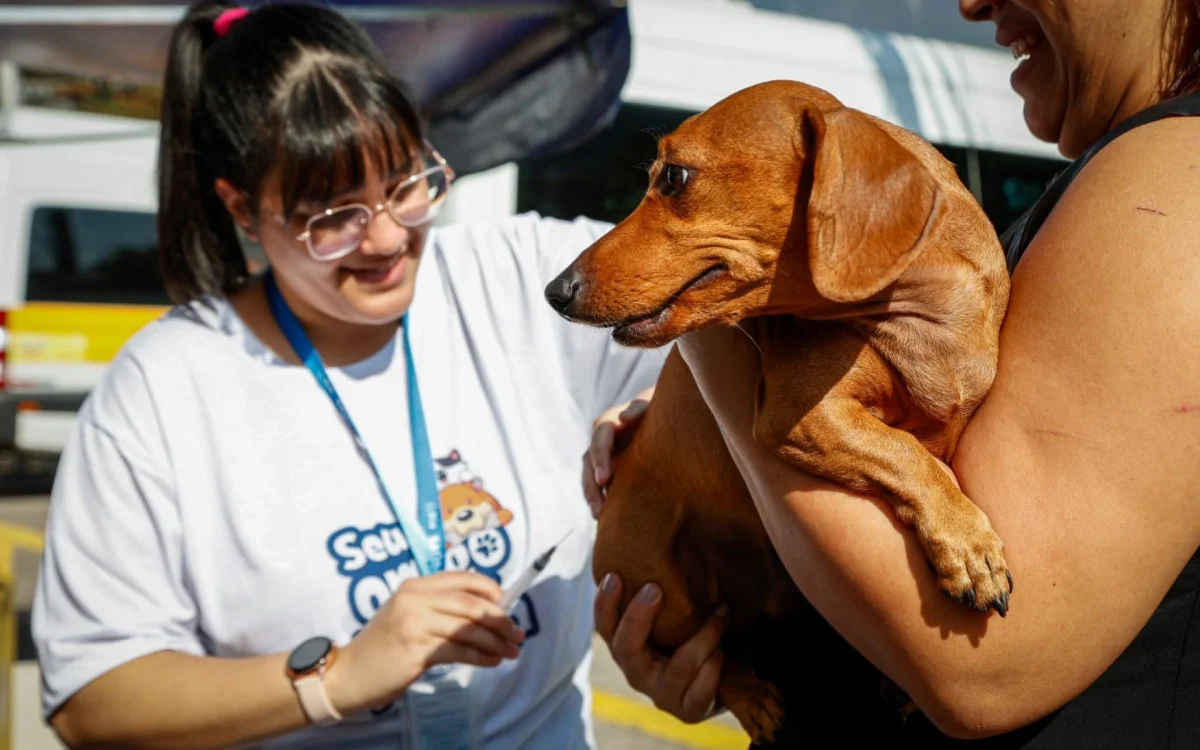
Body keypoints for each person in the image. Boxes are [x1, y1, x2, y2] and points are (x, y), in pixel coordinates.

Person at [31, 3, 663, 749]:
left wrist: (661, 406)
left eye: (405, 183)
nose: (389, 237)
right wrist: (338, 677)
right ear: (240, 207)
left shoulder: (515, 278)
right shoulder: (166, 388)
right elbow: (92, 698)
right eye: (332, 215)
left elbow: (734, 321)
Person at [587, 0, 1200, 745]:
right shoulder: (1095, 187)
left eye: (677, 183)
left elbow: (983, 668)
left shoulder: (1177, 179)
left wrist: (714, 352)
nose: (970, 3)